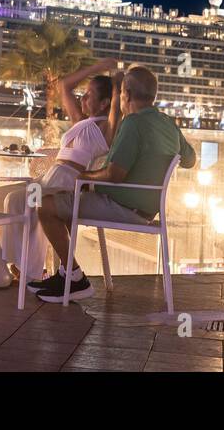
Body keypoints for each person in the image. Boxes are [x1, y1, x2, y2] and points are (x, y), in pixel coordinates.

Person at [31, 64, 196, 302]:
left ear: (125, 94)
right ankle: (67, 275)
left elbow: (114, 175)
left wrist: (83, 177)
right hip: (147, 209)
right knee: (65, 203)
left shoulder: (133, 123)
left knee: (46, 205)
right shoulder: (169, 124)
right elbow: (189, 160)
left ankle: (74, 278)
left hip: (123, 207)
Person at [0, 57, 120, 283]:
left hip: (67, 182)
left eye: (89, 94)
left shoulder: (105, 128)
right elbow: (65, 86)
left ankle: (28, 271)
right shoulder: (80, 122)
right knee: (2, 198)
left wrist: (116, 77)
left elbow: (117, 105)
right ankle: (19, 263)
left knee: (20, 202)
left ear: (104, 103)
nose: (83, 97)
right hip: (51, 176)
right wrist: (97, 68)